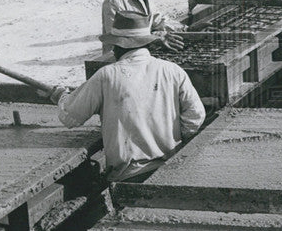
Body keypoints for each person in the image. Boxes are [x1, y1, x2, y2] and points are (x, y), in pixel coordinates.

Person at [51, 12, 206, 182]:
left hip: (128, 174)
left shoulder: (107, 75)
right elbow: (196, 116)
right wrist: (173, 140)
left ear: (118, 46)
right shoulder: (173, 71)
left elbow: (70, 117)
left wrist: (61, 96)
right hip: (168, 170)